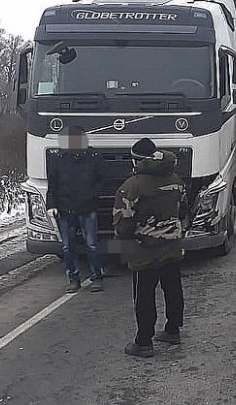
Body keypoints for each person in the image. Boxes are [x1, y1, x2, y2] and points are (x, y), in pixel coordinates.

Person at [113, 137, 185, 358]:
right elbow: (182, 210)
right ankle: (173, 330)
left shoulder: (132, 186)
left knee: (144, 295)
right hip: (172, 246)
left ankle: (143, 342)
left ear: (135, 161)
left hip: (144, 250)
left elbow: (122, 224)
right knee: (173, 289)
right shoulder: (175, 179)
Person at [46, 125, 105, 293]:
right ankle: (73, 279)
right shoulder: (58, 159)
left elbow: (102, 180)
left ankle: (97, 277)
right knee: (67, 247)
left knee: (92, 244)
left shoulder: (94, 157)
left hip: (88, 207)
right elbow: (53, 185)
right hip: (65, 209)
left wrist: (93, 195)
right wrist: (51, 204)